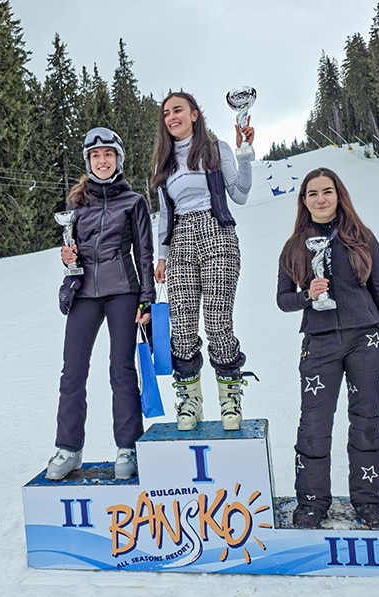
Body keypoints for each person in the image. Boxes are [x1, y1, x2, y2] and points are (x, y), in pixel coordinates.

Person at [276, 167, 379, 529]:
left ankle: (368, 500)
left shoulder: (362, 237)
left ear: (339, 196)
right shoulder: (294, 246)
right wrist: (307, 296)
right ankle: (312, 502)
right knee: (313, 425)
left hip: (366, 339)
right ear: (304, 201)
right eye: (312, 193)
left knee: (366, 421)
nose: (320, 199)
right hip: (319, 341)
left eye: (327, 192)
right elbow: (283, 299)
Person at [46, 127, 156, 481]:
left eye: (108, 154)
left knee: (121, 369)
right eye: (95, 156)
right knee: (72, 370)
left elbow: (144, 254)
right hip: (84, 292)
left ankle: (128, 445)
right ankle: (69, 448)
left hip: (122, 290)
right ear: (88, 162)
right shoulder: (76, 204)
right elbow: (73, 251)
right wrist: (68, 258)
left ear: (118, 159)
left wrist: (147, 299)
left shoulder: (133, 202)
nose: (102, 161)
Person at [151, 91, 255, 431]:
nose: (171, 117)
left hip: (216, 233)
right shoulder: (163, 163)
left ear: (194, 114)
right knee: (181, 327)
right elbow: (165, 214)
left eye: (178, 110)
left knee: (217, 321)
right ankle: (190, 401)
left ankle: (230, 398)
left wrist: (244, 155)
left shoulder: (216, 149)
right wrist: (162, 257)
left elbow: (240, 194)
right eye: (166, 113)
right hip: (180, 239)